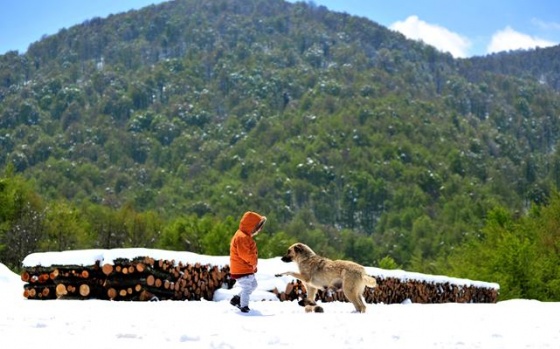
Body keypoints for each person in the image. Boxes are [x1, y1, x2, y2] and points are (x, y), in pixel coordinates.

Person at [229, 211, 267, 313]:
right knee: (246, 288)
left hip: (246, 268)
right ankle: (244, 306)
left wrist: (253, 266)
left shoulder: (245, 236)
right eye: (257, 228)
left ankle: (237, 299)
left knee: (253, 285)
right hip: (241, 269)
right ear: (251, 226)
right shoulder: (242, 237)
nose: (258, 230)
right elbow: (245, 254)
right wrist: (253, 262)